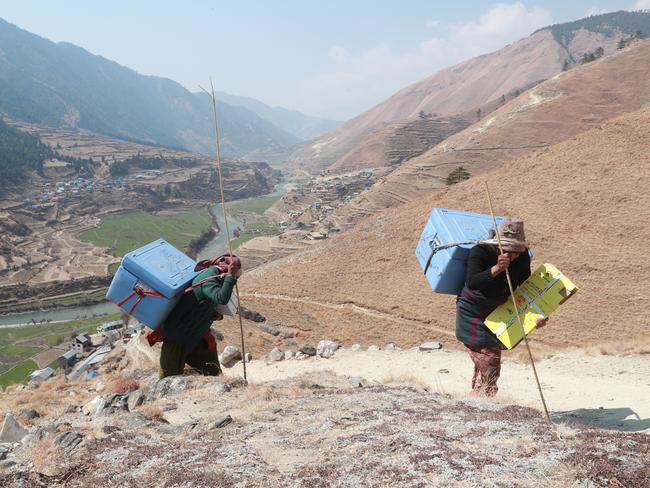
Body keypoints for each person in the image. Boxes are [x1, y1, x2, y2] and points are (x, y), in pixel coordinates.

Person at [455, 218, 546, 396]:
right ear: (499, 246)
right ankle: (485, 398)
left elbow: (524, 289)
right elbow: (473, 282)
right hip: (473, 310)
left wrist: (537, 315)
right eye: (510, 250)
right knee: (489, 356)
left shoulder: (522, 257)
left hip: (499, 309)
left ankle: (478, 398)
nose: (515, 255)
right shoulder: (480, 252)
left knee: (489, 353)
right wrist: (496, 268)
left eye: (518, 251)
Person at [147, 254, 241, 378]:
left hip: (196, 335)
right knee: (168, 378)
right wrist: (231, 277)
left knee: (213, 374)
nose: (236, 279)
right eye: (237, 275)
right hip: (178, 337)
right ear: (225, 270)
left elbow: (202, 304)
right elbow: (221, 298)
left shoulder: (214, 278)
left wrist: (213, 315)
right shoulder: (208, 279)